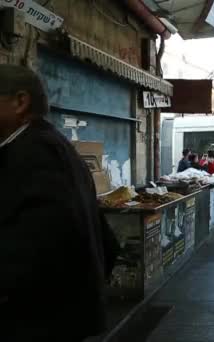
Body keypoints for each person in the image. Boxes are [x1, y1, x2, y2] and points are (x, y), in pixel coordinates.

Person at [0, 65, 119, 341]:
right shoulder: (49, 147)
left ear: (20, 102)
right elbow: (106, 241)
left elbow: (39, 245)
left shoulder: (36, 155)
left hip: (37, 322)